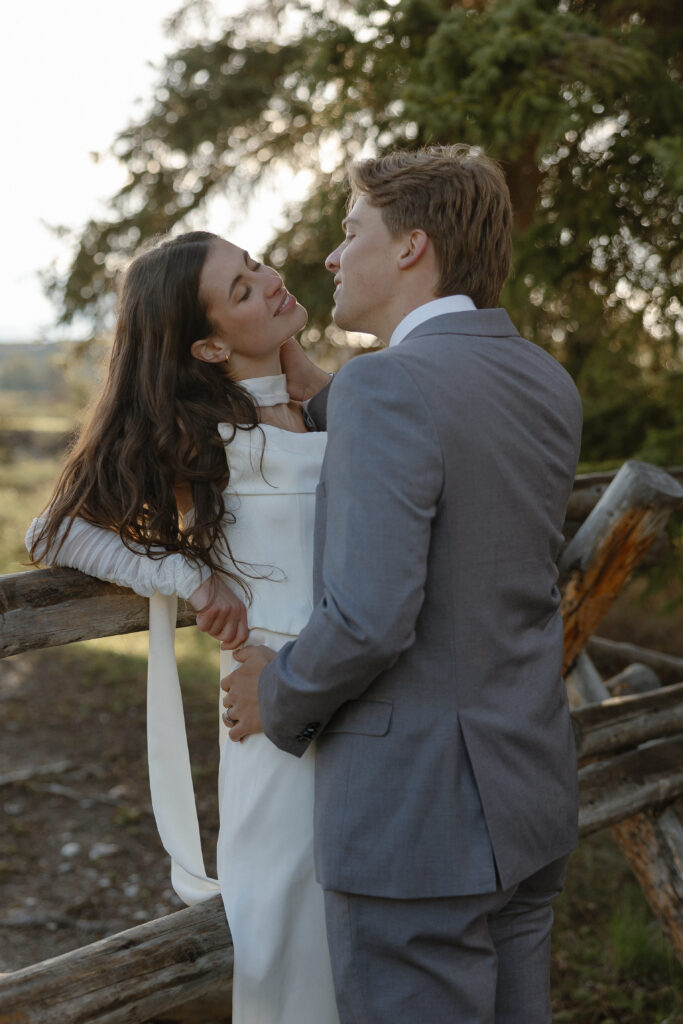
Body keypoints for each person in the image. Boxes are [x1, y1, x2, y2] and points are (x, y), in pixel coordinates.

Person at [222, 145, 583, 1024]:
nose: (333, 258)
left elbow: (372, 617)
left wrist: (279, 692)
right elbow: (442, 432)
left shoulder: (388, 386)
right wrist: (328, 388)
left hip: (417, 822)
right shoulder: (540, 378)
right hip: (527, 793)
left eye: (352, 234)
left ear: (412, 247)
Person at [26, 231, 339, 1024]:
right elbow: (53, 533)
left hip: (372, 696)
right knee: (290, 942)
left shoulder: (332, 405)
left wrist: (310, 377)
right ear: (204, 345)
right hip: (275, 716)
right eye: (241, 289)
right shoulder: (204, 441)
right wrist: (187, 575)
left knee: (369, 931)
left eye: (258, 263)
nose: (270, 281)